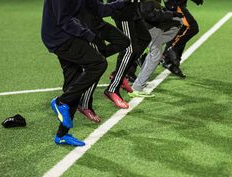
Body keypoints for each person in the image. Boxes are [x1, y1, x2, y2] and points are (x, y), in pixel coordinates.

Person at [41, 0, 127, 146]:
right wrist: (89, 35)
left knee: (72, 82)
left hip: (69, 34)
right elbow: (63, 19)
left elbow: (94, 6)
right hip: (60, 37)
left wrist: (120, 4)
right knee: (98, 64)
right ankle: (61, 102)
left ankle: (62, 134)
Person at [77, 7, 131, 123]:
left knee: (123, 41)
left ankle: (93, 60)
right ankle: (85, 105)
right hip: (87, 28)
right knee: (97, 66)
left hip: (98, 23)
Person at [105, 0, 152, 109]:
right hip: (123, 9)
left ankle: (119, 74)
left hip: (133, 8)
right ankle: (112, 88)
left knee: (145, 38)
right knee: (129, 49)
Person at [130, 0, 183, 95]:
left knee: (178, 22)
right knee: (155, 56)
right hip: (149, 27)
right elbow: (150, 15)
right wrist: (170, 15)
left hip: (146, 25)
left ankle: (151, 45)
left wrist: (169, 14)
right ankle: (137, 87)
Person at [161, 0, 203, 78]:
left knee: (182, 31)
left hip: (177, 4)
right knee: (191, 27)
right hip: (176, 4)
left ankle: (170, 61)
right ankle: (168, 54)